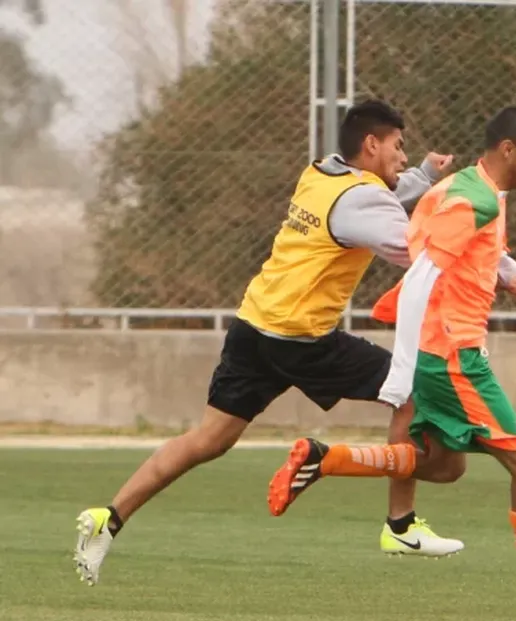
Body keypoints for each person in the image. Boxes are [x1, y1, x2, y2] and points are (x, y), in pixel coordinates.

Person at [75, 100, 469, 585]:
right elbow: (413, 249)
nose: (403, 156)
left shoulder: (321, 174)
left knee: (207, 440)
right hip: (302, 339)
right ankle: (401, 525)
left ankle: (107, 519)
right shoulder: (363, 198)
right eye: (398, 145)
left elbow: (382, 195)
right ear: (372, 144)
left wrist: (426, 174)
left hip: (253, 326)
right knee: (409, 393)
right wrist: (467, 238)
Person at [268, 106, 516, 617]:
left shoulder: (468, 191)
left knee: (444, 465)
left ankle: (327, 459)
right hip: (454, 358)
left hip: (442, 354)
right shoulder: (472, 200)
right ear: (508, 150)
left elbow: (505, 272)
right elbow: (421, 279)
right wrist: (401, 372)